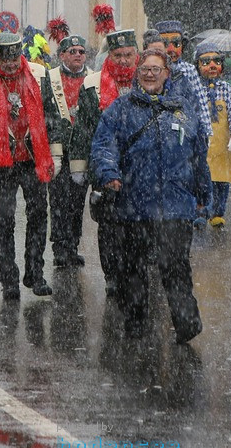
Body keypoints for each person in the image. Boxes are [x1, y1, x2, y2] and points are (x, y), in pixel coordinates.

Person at [90, 49, 210, 341]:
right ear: (137, 73)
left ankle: (187, 324)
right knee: (133, 269)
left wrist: (203, 194)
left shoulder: (182, 109)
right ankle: (136, 325)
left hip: (176, 208)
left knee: (176, 268)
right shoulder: (120, 109)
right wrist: (110, 175)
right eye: (145, 68)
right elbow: (104, 146)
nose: (150, 73)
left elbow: (199, 155)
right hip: (135, 207)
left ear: (167, 74)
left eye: (157, 69)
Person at [0, 29, 62, 299]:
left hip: (33, 159)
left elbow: (53, 115)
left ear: (21, 55)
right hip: (1, 161)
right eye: (5, 61)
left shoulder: (40, 75)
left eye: (15, 60)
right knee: (3, 221)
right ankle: (9, 281)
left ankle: (35, 273)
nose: (11, 65)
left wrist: (56, 153)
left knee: (39, 214)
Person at [69, 28, 140, 298]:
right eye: (118, 55)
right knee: (109, 224)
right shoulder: (92, 85)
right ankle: (111, 275)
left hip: (138, 166)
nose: (123, 60)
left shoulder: (146, 79)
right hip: (105, 163)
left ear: (136, 55)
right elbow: (84, 129)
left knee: (137, 222)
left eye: (128, 54)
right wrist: (80, 166)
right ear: (109, 55)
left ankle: (134, 271)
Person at [47, 32, 91, 268]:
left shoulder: (93, 78)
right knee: (59, 201)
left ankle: (73, 244)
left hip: (82, 151)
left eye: (81, 52)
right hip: (59, 151)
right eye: (72, 52)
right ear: (62, 55)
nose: (77, 56)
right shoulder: (50, 78)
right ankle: (59, 247)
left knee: (77, 202)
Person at [193, 41, 231, 229]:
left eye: (216, 61)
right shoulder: (194, 89)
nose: (212, 66)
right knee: (201, 181)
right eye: (206, 62)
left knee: (222, 182)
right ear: (197, 66)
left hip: (223, 146)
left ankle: (217, 212)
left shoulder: (228, 89)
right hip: (202, 145)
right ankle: (201, 212)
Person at [153, 21, 213, 139]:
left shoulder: (189, 70)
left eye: (176, 44)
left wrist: (205, 132)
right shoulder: (151, 69)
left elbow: (200, 102)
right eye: (165, 44)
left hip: (183, 127)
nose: (171, 49)